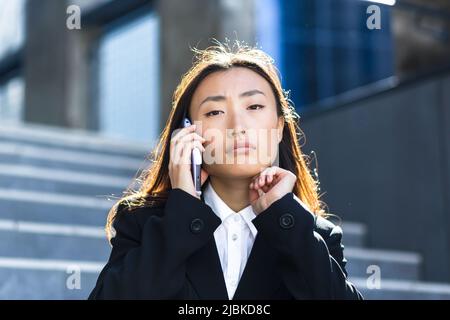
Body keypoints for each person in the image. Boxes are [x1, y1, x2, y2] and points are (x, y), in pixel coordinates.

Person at [88, 41, 363, 300]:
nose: (237, 125)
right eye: (214, 112)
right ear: (187, 132)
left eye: (254, 106)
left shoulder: (314, 234)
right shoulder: (142, 223)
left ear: (279, 127)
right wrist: (181, 213)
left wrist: (285, 219)